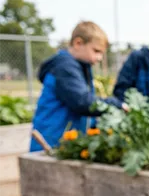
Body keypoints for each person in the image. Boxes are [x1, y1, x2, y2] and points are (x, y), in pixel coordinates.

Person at [30, 21, 126, 152]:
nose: (99, 58)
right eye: (96, 51)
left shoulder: (81, 67)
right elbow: (81, 102)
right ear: (78, 43)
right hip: (51, 142)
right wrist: (116, 105)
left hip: (65, 143)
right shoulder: (65, 67)